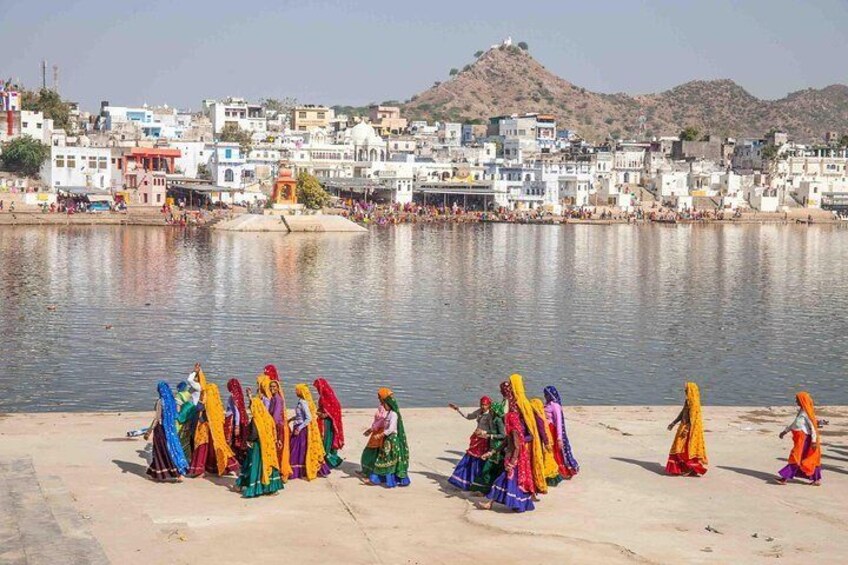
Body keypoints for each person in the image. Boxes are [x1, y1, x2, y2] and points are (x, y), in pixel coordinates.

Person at [479, 411, 535, 512]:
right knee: (509, 483)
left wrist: (512, 463)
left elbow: (517, 448)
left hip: (513, 463)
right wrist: (491, 453)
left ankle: (490, 503)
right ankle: (518, 504)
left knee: (502, 481)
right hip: (512, 462)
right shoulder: (511, 431)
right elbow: (504, 444)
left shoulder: (514, 432)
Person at [187, 383, 240, 477]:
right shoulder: (217, 403)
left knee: (203, 448)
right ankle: (228, 467)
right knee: (218, 448)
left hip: (205, 431)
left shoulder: (206, 401)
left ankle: (200, 470)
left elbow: (199, 408)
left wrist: (201, 399)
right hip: (216, 432)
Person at [236, 393, 284, 498]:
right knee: (269, 466)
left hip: (259, 447)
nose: (250, 408)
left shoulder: (256, 419)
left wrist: (248, 441)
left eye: (251, 406)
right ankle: (271, 489)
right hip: (269, 447)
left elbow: (254, 434)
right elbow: (273, 430)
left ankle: (255, 488)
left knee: (255, 466)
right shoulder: (268, 417)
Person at [362, 388, 410, 487]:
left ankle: (377, 480)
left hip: (391, 440)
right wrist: (372, 430)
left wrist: (381, 434)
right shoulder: (388, 414)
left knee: (384, 460)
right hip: (387, 440)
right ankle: (380, 479)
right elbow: (381, 422)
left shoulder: (393, 415)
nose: (383, 405)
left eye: (384, 404)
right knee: (384, 460)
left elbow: (392, 428)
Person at [509, 374, 548, 495]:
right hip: (522, 438)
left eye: (511, 385)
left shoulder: (521, 403)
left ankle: (526, 490)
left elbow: (528, 425)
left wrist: (521, 439)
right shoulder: (521, 401)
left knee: (523, 467)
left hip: (524, 441)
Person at [447, 396, 496, 491]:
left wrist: (484, 433)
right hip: (476, 439)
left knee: (479, 460)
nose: (483, 406)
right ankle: (464, 480)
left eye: (485, 405)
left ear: (489, 405)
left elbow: (493, 429)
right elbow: (469, 417)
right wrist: (458, 410)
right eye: (481, 404)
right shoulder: (479, 412)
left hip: (484, 440)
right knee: (470, 458)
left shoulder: (490, 415)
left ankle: (477, 483)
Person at [144, 381, 189, 482]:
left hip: (161, 429)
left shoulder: (161, 401)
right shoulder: (171, 401)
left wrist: (149, 431)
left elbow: (157, 418)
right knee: (170, 450)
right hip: (170, 429)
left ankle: (164, 472)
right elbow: (175, 415)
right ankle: (176, 473)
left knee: (161, 451)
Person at [777, 392, 822, 486]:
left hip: (804, 439)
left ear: (802, 400)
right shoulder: (802, 411)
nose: (796, 401)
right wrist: (785, 432)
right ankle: (816, 479)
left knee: (795, 457)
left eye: (797, 399)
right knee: (802, 458)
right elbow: (795, 424)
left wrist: (813, 441)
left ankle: (784, 478)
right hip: (799, 439)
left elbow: (813, 427)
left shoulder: (806, 413)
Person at [666, 382, 708, 476]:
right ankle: (683, 468)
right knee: (678, 448)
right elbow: (683, 413)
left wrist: (686, 429)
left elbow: (692, 418)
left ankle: (689, 468)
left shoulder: (694, 403)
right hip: (683, 426)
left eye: (686, 390)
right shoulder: (688, 401)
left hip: (689, 430)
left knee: (684, 450)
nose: (685, 391)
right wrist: (674, 423)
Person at [256, 374, 293, 481]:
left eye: (274, 387)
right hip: (275, 425)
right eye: (271, 387)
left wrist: (269, 426)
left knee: (279, 449)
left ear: (278, 388)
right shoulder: (273, 399)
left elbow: (276, 416)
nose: (272, 388)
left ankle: (282, 472)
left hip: (278, 427)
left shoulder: (277, 399)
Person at [289, 384, 330, 480]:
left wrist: (299, 428)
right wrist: (292, 419)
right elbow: (301, 416)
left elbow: (308, 418)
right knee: (300, 450)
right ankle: (301, 470)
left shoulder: (303, 403)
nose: (296, 392)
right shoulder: (301, 402)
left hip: (301, 429)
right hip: (299, 426)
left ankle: (297, 471)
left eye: (297, 390)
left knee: (296, 450)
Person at [468, 400, 507, 495]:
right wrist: (485, 433)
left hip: (497, 448)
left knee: (488, 469)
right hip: (492, 445)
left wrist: (489, 436)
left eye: (492, 410)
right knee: (488, 470)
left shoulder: (498, 421)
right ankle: (484, 490)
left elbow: (503, 435)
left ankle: (486, 491)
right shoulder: (492, 419)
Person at [543, 386, 579, 480]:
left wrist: (559, 437)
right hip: (547, 430)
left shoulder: (555, 406)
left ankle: (560, 471)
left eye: (546, 394)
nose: (545, 396)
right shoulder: (547, 404)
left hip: (553, 431)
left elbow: (559, 422)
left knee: (556, 452)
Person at [313, 377, 345, 469]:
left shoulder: (330, 397)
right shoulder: (322, 397)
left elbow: (336, 409)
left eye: (318, 388)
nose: (318, 390)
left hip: (328, 424)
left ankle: (328, 461)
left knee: (326, 441)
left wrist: (325, 415)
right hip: (322, 422)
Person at [530, 397, 561, 486]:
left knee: (545, 460)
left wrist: (546, 443)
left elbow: (542, 432)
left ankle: (547, 478)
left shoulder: (538, 418)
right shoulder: (540, 417)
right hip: (543, 442)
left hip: (542, 443)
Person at [224, 378, 249, 463]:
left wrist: (237, 426)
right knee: (239, 440)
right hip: (241, 420)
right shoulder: (239, 395)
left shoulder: (233, 397)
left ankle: (234, 460)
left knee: (232, 440)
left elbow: (237, 411)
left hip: (233, 421)